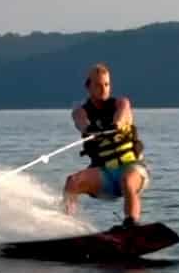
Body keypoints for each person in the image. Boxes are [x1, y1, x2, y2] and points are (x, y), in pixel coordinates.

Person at [63, 63, 150, 230]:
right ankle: (65, 227)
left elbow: (122, 114)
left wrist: (116, 125)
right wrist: (89, 129)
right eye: (98, 85)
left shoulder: (121, 103)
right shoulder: (81, 111)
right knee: (72, 182)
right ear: (88, 87)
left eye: (107, 84)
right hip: (105, 175)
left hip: (132, 168)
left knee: (127, 180)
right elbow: (81, 122)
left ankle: (131, 224)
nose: (103, 89)